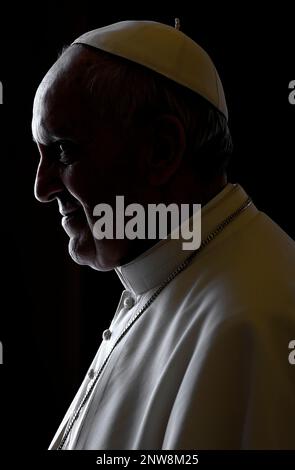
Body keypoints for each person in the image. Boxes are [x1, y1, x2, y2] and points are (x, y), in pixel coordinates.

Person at [32, 20, 295, 450]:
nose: (42, 188)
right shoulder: (166, 274)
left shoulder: (257, 321)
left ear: (161, 150)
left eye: (63, 149)